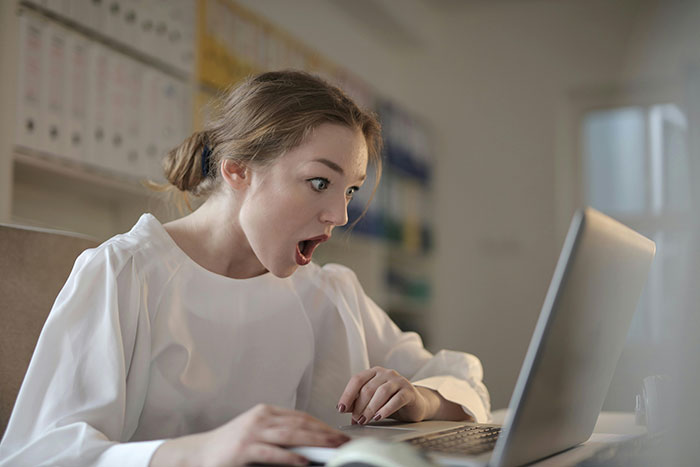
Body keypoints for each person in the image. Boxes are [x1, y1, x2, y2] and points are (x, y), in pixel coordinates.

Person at [0, 70, 490, 466]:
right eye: (320, 182)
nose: (339, 216)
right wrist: (198, 452)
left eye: (350, 191)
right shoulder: (125, 273)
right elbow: (37, 455)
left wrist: (422, 400)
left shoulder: (329, 291)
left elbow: (457, 378)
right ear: (237, 169)